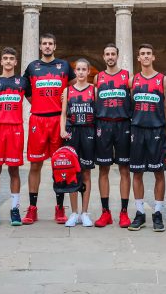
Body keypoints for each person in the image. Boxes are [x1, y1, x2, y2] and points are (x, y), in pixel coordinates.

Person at [21, 33, 75, 224]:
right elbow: (26, 91)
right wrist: (38, 104)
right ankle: (32, 207)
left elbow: (74, 88)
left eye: (50, 43)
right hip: (38, 120)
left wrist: (65, 101)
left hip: (57, 120)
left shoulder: (64, 66)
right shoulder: (32, 67)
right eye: (44, 43)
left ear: (55, 46)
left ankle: (60, 208)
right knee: (35, 165)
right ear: (39, 46)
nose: (47, 46)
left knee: (59, 164)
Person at [127, 43, 166, 232]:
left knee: (158, 173)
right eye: (142, 53)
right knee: (137, 172)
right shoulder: (132, 80)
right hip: (137, 130)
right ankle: (139, 213)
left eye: (148, 54)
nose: (145, 56)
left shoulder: (163, 80)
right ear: (138, 58)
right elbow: (128, 105)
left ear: (153, 57)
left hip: (157, 130)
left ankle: (158, 213)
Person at [0, 47, 27, 226]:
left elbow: (36, 101)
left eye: (11, 58)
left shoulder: (23, 82)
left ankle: (15, 209)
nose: (8, 61)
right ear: (1, 61)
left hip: (15, 128)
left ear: (16, 62)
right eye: (5, 58)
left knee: (14, 170)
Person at [93, 43, 133, 228]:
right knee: (103, 169)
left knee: (125, 169)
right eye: (107, 54)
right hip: (103, 124)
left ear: (118, 56)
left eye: (113, 54)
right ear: (103, 57)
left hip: (123, 124)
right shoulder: (98, 78)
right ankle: (105, 212)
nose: (110, 57)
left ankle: (124, 213)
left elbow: (134, 99)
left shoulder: (127, 77)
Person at [60, 58, 97, 227]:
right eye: (78, 69)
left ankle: (85, 212)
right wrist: (62, 129)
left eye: (84, 69)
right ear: (74, 72)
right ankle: (74, 213)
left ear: (89, 72)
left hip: (88, 132)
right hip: (72, 132)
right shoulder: (67, 91)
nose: (81, 72)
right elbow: (63, 114)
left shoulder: (94, 90)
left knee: (86, 173)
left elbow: (97, 114)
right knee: (71, 173)